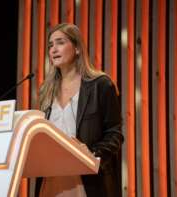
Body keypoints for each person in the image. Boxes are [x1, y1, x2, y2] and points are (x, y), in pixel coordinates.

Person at [36, 23, 124, 197]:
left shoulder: (101, 85)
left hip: (86, 182)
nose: (53, 49)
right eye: (50, 45)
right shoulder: (46, 91)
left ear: (76, 48)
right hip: (51, 181)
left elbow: (115, 134)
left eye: (60, 42)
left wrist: (91, 155)